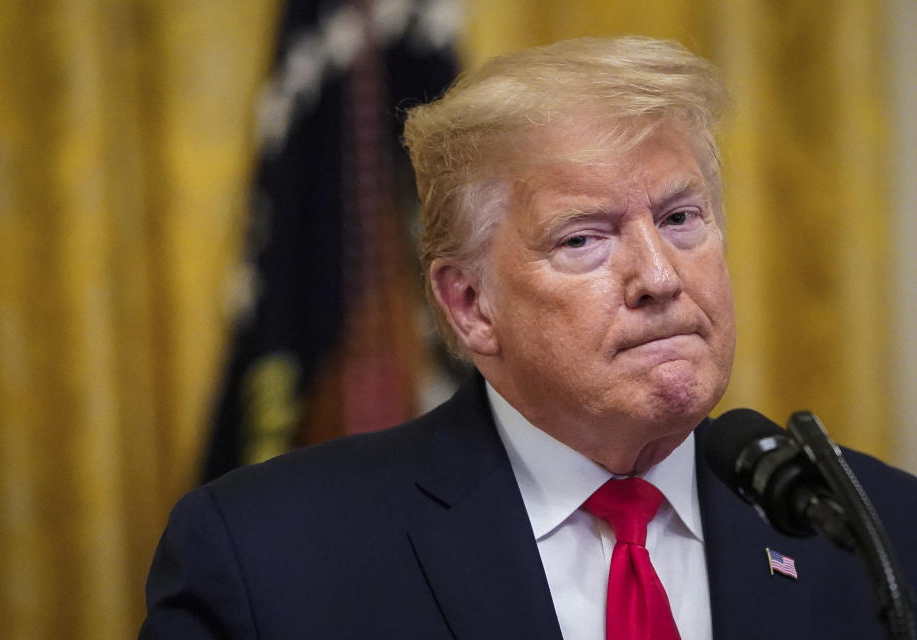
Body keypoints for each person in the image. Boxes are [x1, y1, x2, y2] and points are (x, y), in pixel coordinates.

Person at [139, 36, 917, 640]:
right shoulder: (269, 557)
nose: (659, 276)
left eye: (681, 219)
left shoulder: (878, 531)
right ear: (470, 303)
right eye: (584, 239)